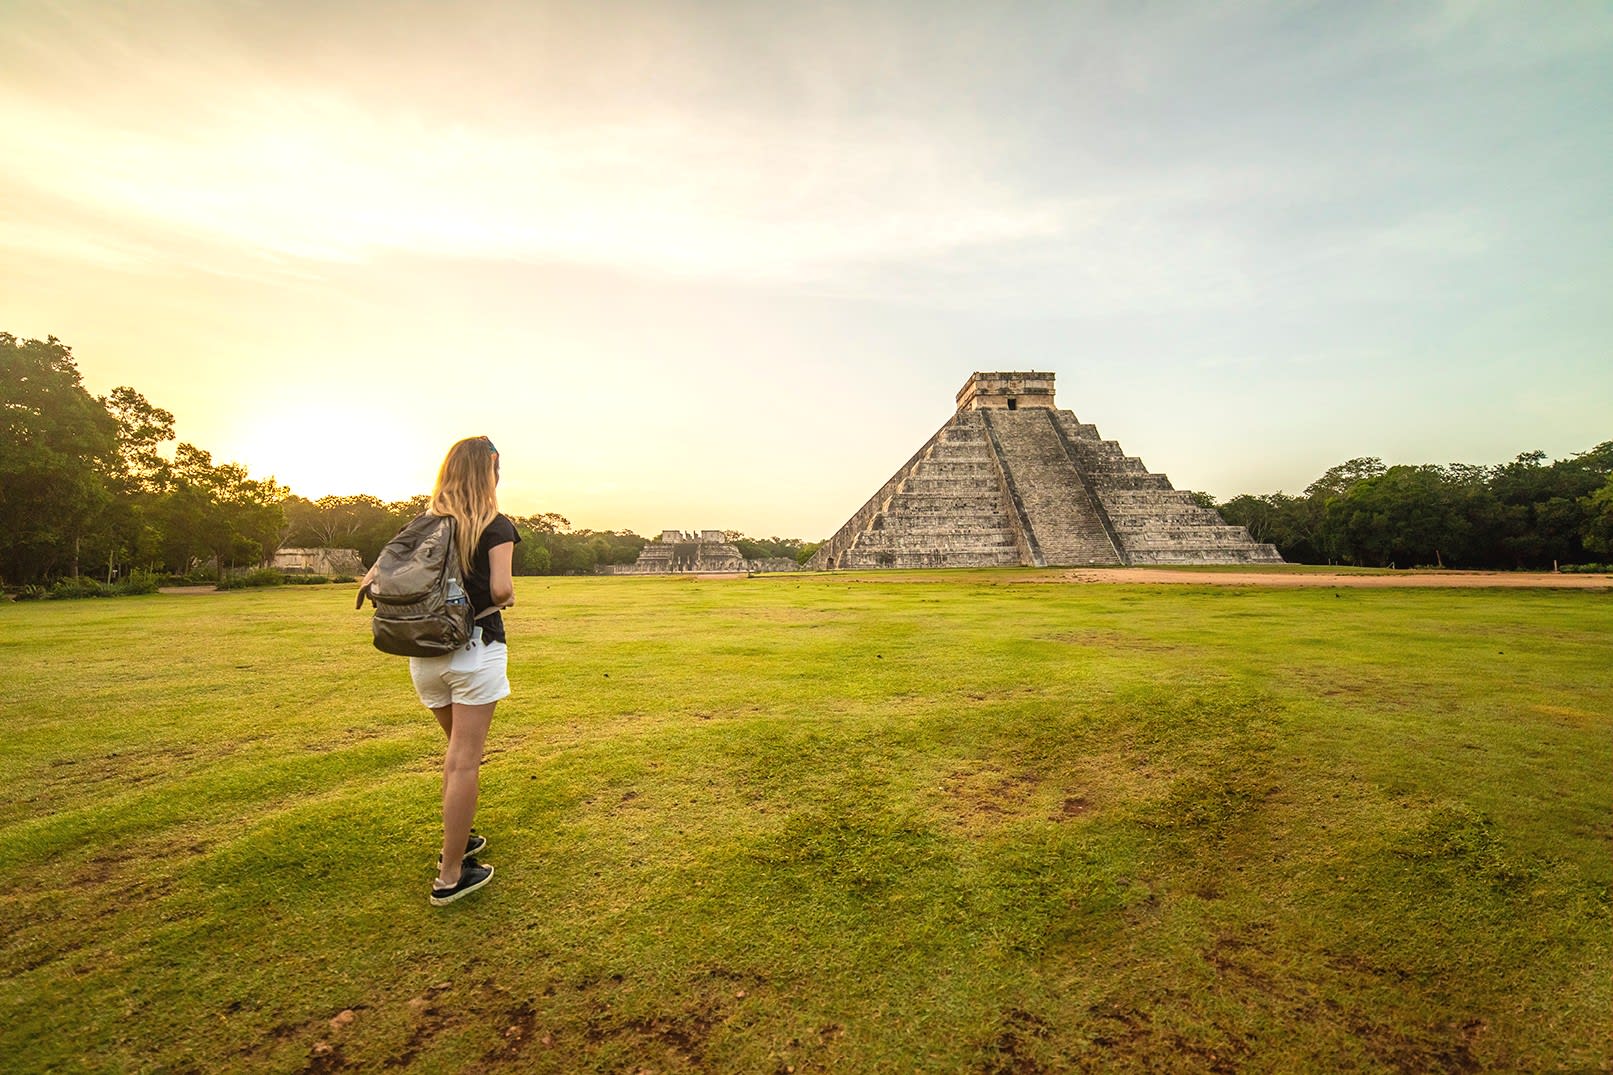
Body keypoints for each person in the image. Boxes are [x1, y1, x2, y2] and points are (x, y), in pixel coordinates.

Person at [361, 436, 519, 905]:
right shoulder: (496, 525)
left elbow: (373, 581)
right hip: (474, 650)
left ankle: (459, 835)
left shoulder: (421, 525)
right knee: (464, 760)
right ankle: (451, 876)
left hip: (424, 657)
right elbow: (503, 589)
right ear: (489, 468)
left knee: (454, 755)